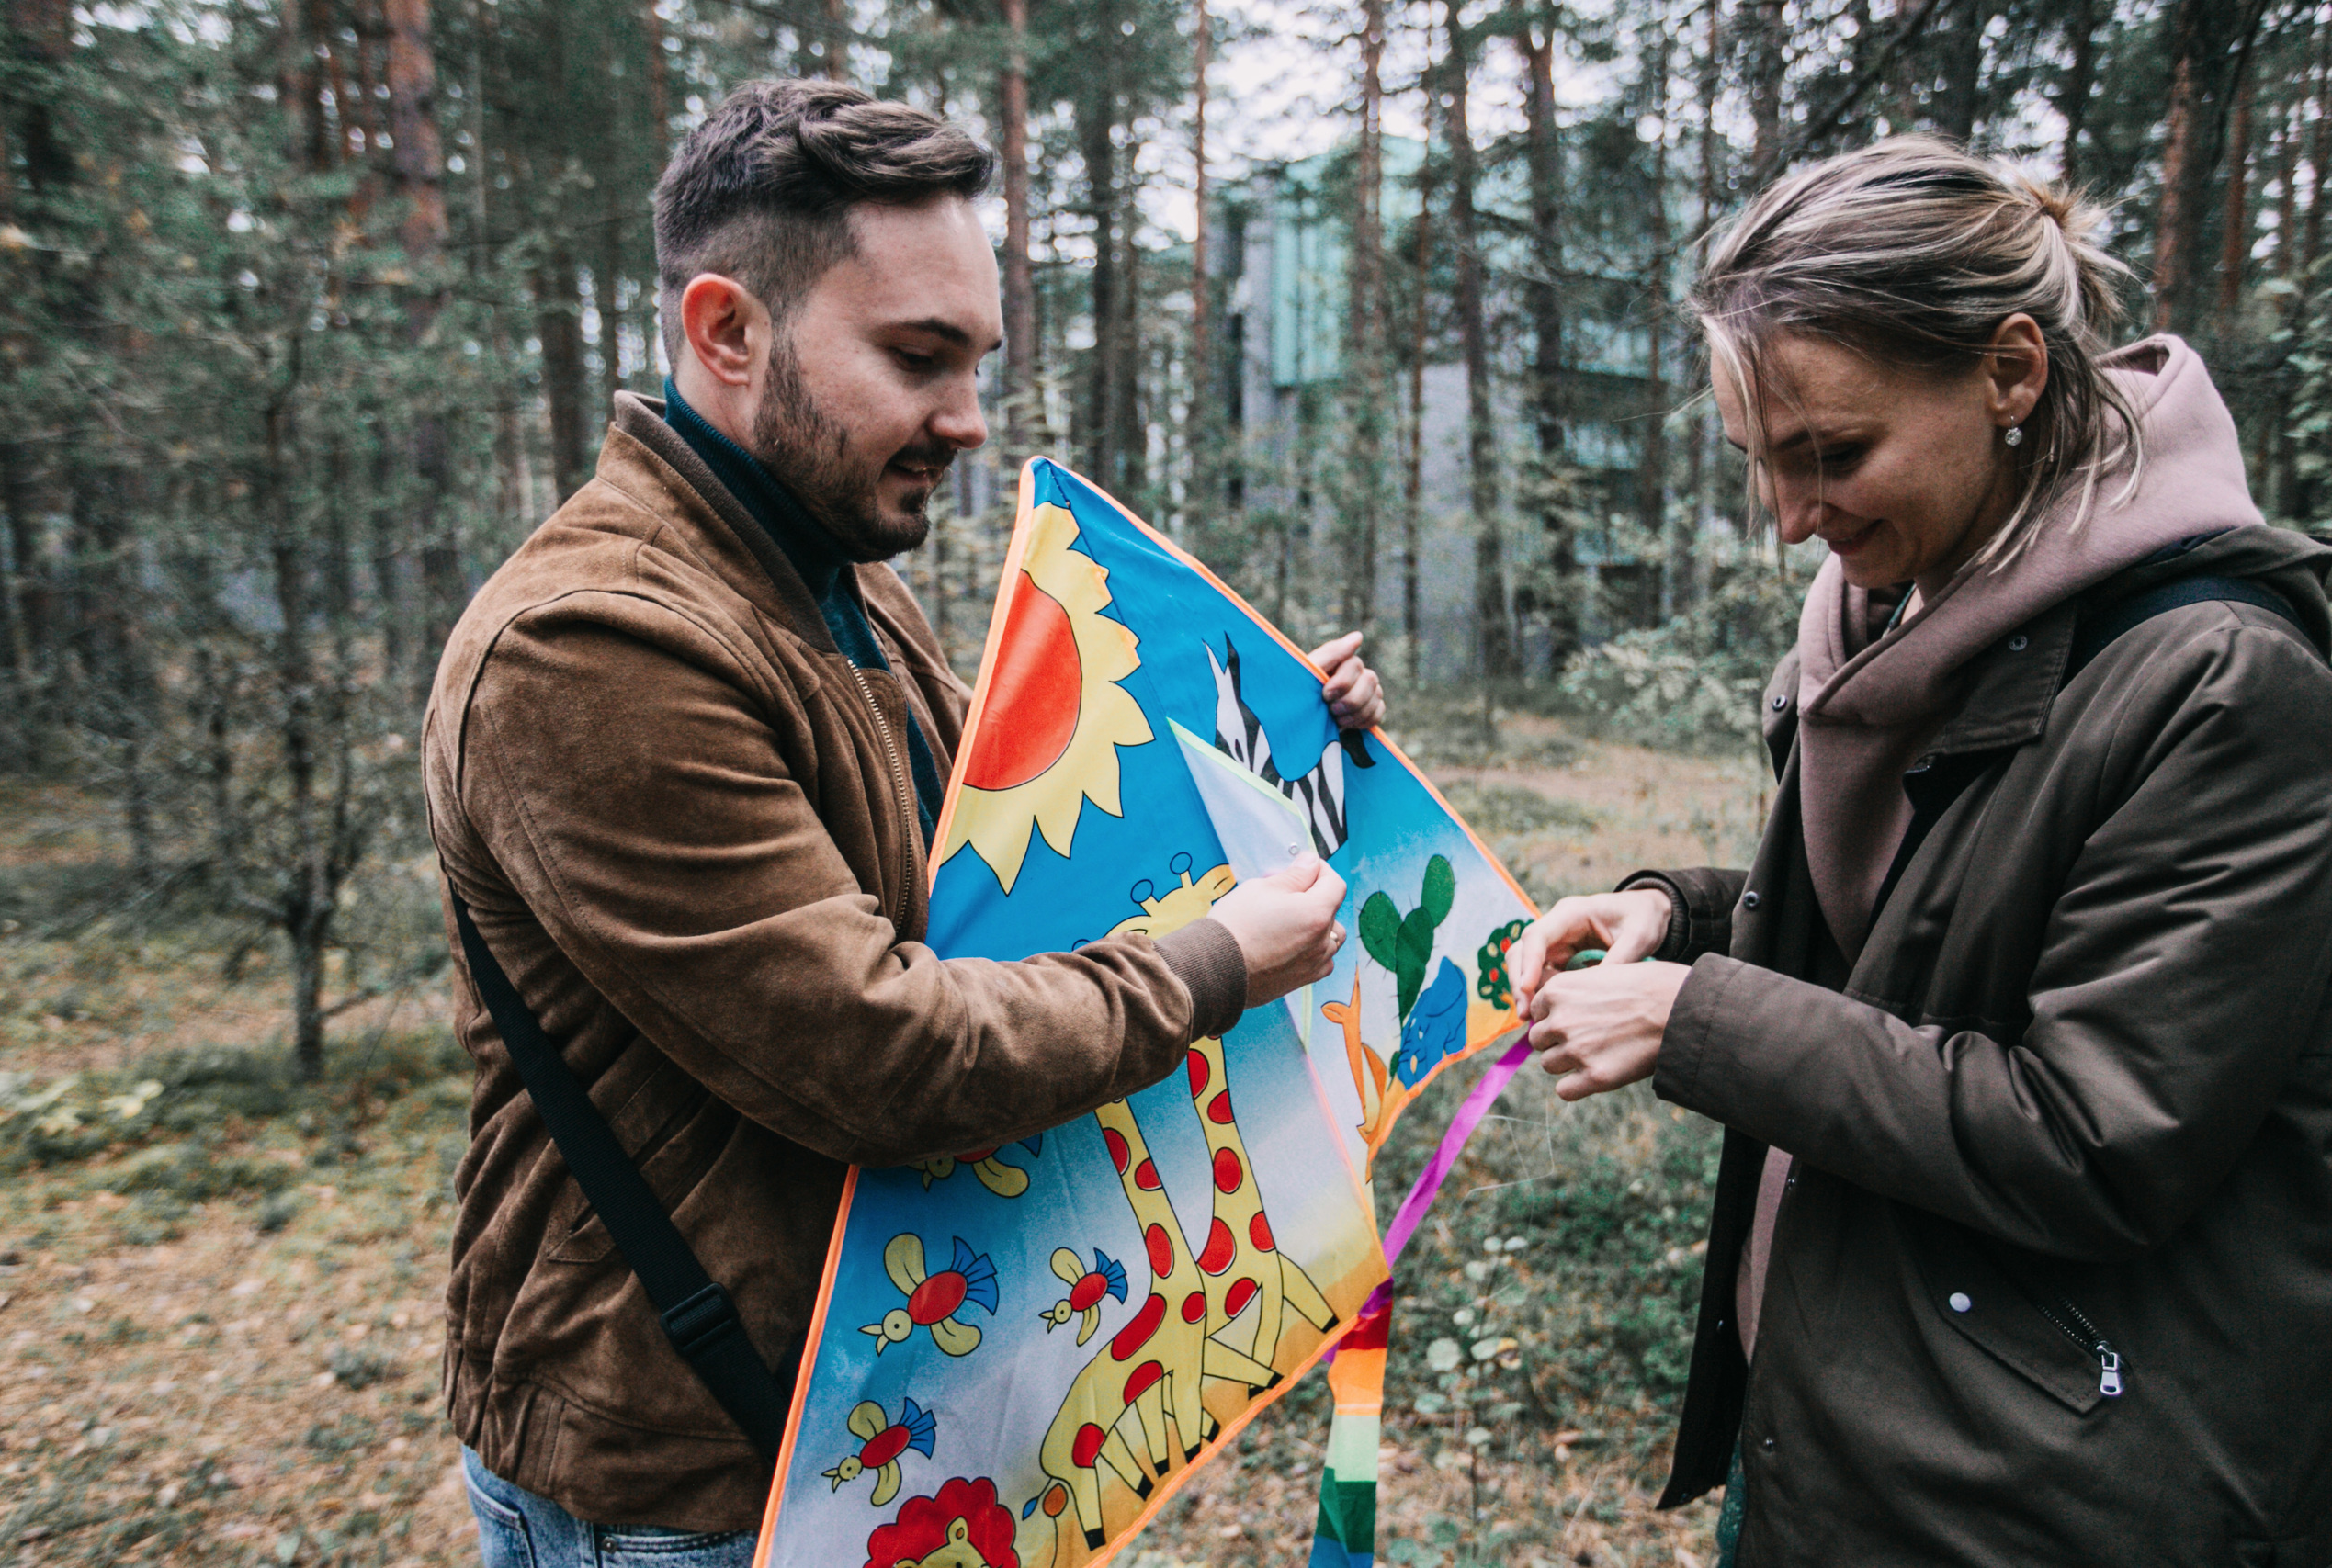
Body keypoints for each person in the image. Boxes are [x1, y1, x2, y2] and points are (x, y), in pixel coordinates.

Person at [421, 80, 1385, 1566]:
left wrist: (1263, 724)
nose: (970, 421)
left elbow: (1001, 874)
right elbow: (881, 1050)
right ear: (724, 332)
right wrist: (1209, 969)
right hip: (688, 1486)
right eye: (918, 358)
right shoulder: (589, 650)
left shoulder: (844, 577)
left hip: (878, 1428)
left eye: (977, 362)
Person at [1511, 137, 2332, 1566]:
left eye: (1832, 454)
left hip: (2033, 1500)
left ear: (2012, 372)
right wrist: (1682, 922)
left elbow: (2091, 1137)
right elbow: (1921, 929)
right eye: (1764, 463)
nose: (1790, 521)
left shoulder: (2223, 680)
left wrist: (1698, 1018)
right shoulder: (1913, 603)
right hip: (1843, 1431)